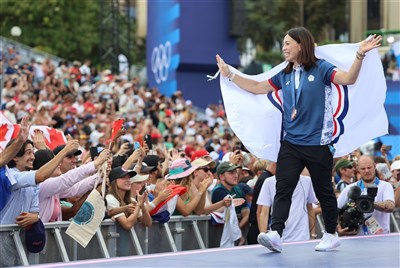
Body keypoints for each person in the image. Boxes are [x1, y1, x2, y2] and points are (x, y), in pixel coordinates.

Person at [216, 27, 382, 252]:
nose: (283, 48)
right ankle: (276, 233)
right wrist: (230, 74)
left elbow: (349, 79)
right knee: (283, 188)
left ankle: (331, 234)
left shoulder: (321, 68)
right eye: (283, 44)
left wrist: (360, 54)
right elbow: (256, 87)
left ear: (301, 45)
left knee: (323, 191)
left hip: (318, 143)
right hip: (291, 143)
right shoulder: (284, 74)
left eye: (287, 43)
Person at [257, 170, 317, 247]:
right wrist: (265, 240)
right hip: (278, 240)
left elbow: (310, 208)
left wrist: (313, 235)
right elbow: (263, 212)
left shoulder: (307, 181)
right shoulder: (269, 182)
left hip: (302, 238)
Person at [337, 155, 395, 235]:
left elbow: (390, 206)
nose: (366, 171)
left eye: (369, 167)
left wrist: (369, 204)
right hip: (356, 239)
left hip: (381, 239)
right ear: (358, 170)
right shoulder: (350, 188)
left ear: (374, 166)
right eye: (363, 169)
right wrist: (338, 227)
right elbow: (335, 209)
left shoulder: (385, 186)